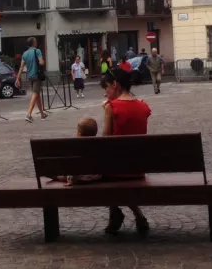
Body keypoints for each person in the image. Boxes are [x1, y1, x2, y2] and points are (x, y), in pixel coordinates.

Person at [101, 68, 151, 235]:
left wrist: (107, 111)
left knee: (106, 169)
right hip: (138, 167)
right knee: (115, 166)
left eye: (106, 87)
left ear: (115, 85)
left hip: (117, 170)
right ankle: (134, 216)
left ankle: (116, 214)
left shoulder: (112, 107)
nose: (105, 93)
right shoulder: (143, 106)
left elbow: (105, 141)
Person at [51, 117, 101, 185]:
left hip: (80, 178)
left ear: (79, 134)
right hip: (96, 177)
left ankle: (58, 177)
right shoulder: (99, 146)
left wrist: (71, 181)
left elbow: (74, 167)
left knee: (62, 175)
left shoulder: (76, 148)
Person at [16, 36, 47, 123]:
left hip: (30, 76)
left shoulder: (25, 54)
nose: (36, 43)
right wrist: (42, 62)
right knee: (35, 94)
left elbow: (21, 67)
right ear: (33, 43)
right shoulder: (37, 51)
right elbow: (41, 62)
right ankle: (28, 114)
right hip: (37, 76)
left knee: (37, 96)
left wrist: (17, 79)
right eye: (36, 41)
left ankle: (42, 114)